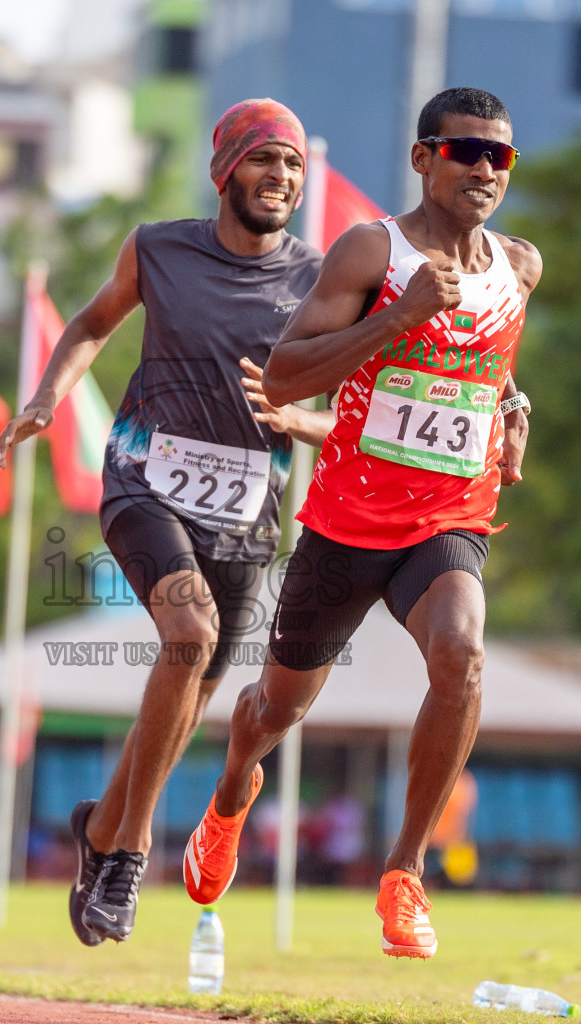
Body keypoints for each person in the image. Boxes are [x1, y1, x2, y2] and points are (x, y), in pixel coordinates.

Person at [182, 87, 538, 960]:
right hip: (346, 524)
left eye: (501, 156)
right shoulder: (370, 250)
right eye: (466, 151)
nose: (485, 169)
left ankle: (404, 873)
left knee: (461, 650)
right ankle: (230, 795)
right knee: (274, 709)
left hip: (447, 518)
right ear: (423, 159)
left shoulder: (521, 265)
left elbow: (484, 374)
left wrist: (515, 409)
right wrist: (398, 316)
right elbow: (288, 375)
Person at [0, 98, 334, 945]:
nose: (280, 179)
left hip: (247, 510)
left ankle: (101, 827)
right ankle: (130, 854)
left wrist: (304, 424)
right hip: (144, 476)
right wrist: (47, 395)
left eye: (292, 165)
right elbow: (91, 323)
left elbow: (357, 417)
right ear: (226, 170)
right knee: (186, 634)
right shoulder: (157, 247)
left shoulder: (322, 280)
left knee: (191, 699)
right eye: (264, 160)